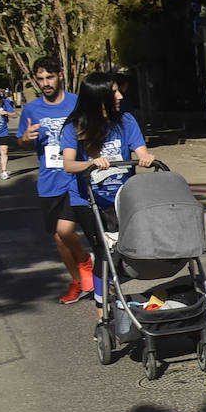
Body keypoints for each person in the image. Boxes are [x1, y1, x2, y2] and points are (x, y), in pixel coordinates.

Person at [59, 71, 157, 315]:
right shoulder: (75, 127)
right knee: (104, 249)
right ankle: (102, 310)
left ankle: (110, 283)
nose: (120, 96)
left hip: (121, 197)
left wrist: (144, 157)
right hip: (87, 199)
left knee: (125, 247)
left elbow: (141, 150)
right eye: (114, 92)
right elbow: (68, 164)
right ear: (98, 96)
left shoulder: (126, 121)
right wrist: (91, 164)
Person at [18, 55, 92, 305]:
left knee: (65, 230)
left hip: (75, 178)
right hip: (49, 181)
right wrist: (25, 138)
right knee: (59, 238)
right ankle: (78, 281)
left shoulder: (77, 103)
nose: (45, 83)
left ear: (60, 75)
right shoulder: (32, 109)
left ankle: (84, 260)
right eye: (40, 79)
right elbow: (20, 139)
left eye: (49, 77)